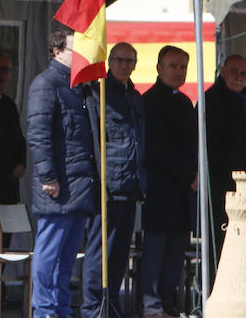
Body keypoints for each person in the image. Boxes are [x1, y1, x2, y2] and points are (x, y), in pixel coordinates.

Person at [28, 29, 98, 318]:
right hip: (59, 185)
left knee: (67, 256)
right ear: (57, 51)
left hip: (78, 183)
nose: (81, 55)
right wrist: (47, 177)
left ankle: (60, 309)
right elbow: (39, 133)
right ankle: (45, 309)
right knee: (50, 252)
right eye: (74, 49)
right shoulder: (47, 83)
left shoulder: (79, 87)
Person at [81, 42, 146, 318]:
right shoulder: (99, 92)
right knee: (99, 253)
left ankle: (111, 305)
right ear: (109, 61)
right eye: (119, 60)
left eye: (130, 61)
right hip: (107, 187)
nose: (124, 65)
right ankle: (93, 308)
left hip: (130, 186)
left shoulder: (135, 95)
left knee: (120, 254)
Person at [140, 45, 197, 318]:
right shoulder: (150, 101)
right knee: (156, 251)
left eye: (183, 67)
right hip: (160, 190)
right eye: (173, 66)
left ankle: (169, 303)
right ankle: (153, 307)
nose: (178, 71)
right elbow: (158, 147)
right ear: (159, 69)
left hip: (182, 193)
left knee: (175, 252)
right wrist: (189, 176)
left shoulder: (185, 102)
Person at [204, 54, 246, 275]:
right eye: (233, 71)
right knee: (220, 239)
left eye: (243, 73)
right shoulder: (212, 100)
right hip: (220, 183)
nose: (238, 77)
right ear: (223, 71)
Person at [0, 50, 26, 205]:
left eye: (6, 69)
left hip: (9, 184)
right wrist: (7, 169)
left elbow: (18, 138)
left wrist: (21, 163)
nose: (1, 75)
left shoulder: (8, 104)